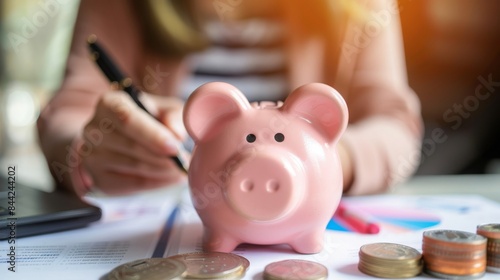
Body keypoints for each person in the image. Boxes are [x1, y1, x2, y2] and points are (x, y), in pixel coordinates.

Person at [37, 0, 423, 196]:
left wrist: (327, 160)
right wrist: (92, 149)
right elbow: (66, 115)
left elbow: (397, 125)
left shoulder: (357, 9)